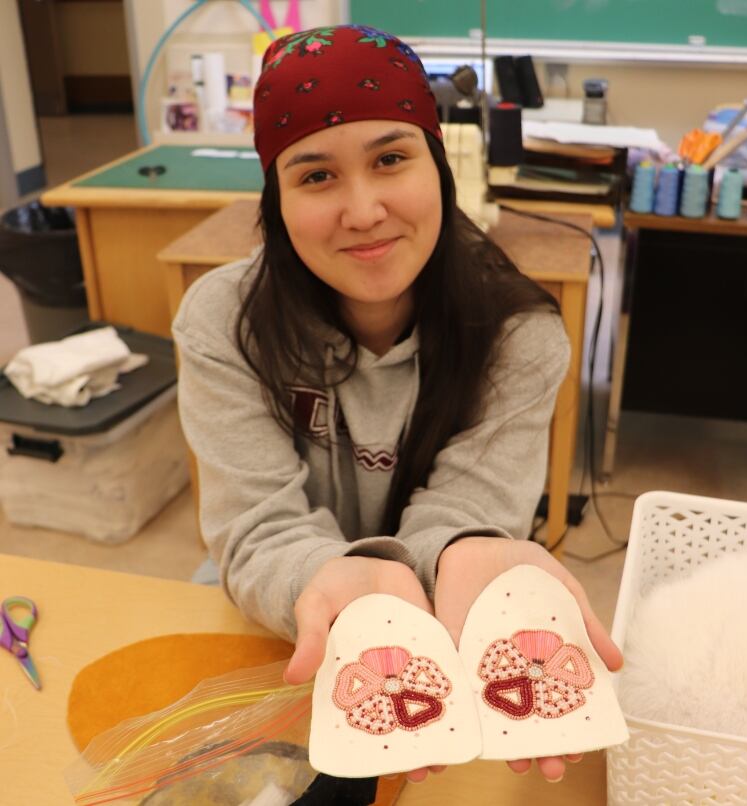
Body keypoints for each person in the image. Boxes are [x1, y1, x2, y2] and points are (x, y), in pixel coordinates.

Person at [173, 24, 622, 784]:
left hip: (445, 618)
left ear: (439, 167)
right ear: (275, 199)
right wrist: (329, 581)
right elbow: (254, 525)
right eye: (315, 177)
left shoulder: (520, 334)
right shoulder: (224, 322)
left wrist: (455, 555)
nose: (364, 210)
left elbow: (470, 507)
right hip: (287, 611)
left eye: (390, 159)